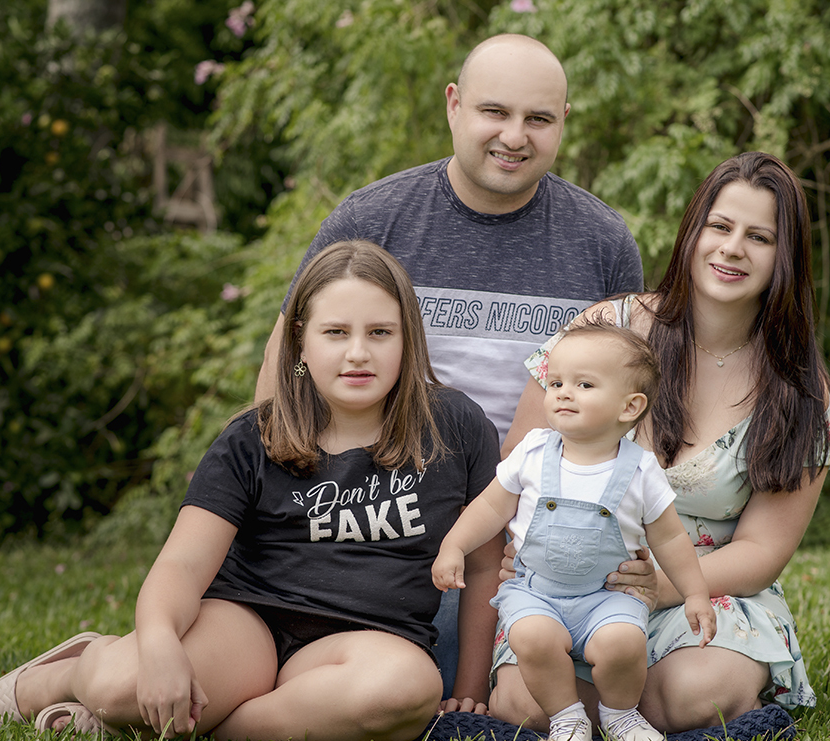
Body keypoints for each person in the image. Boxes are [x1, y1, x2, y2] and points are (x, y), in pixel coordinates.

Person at [0, 241, 501, 741]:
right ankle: (66, 675)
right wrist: (159, 644)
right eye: (336, 332)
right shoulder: (252, 438)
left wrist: (470, 690)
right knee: (120, 689)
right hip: (246, 627)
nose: (358, 353)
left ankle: (203, 724)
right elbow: (183, 564)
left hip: (367, 646)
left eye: (380, 332)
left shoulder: (455, 428)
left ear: (409, 339)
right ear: (300, 341)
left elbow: (482, 567)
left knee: (406, 690)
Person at [254, 33, 644, 699]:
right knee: (348, 674)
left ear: (563, 122)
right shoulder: (375, 220)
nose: (514, 137)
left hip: (533, 535)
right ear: (454, 105)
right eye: (494, 111)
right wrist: (282, 487)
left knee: (562, 687)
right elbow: (288, 361)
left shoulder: (601, 244)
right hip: (381, 519)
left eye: (538, 119)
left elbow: (627, 395)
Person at [489, 152, 830, 736]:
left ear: (787, 257)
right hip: (567, 585)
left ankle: (612, 709)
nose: (732, 249)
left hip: (702, 590)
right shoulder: (608, 329)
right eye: (720, 226)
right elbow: (519, 462)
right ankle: (619, 710)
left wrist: (660, 586)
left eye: (759, 237)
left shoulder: (797, 389)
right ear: (693, 231)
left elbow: (762, 549)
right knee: (522, 701)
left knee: (704, 693)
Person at [432, 321, 716, 741]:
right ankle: (567, 718)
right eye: (556, 382)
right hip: (536, 592)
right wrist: (454, 545)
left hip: (607, 596)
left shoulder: (640, 470)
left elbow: (671, 539)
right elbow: (489, 508)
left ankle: (620, 714)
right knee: (531, 638)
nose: (564, 393)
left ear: (630, 406)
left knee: (622, 643)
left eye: (584, 385)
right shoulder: (532, 452)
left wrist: (695, 593)